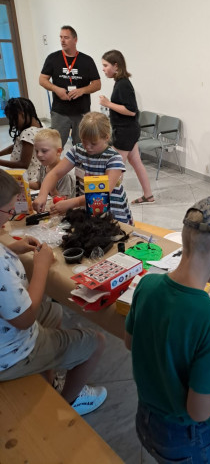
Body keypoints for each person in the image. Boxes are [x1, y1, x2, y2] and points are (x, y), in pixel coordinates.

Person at [125, 196, 210, 463]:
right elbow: (199, 411)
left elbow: (130, 341)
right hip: (186, 439)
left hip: (145, 420)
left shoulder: (147, 285)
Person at [0, 170, 107, 415]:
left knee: (53, 311)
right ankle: (69, 402)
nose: (11, 216)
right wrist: (40, 267)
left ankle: (48, 376)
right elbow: (25, 319)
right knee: (96, 343)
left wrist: (12, 248)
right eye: (8, 211)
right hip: (10, 355)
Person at [33, 112, 133, 225]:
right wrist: (42, 195)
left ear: (106, 137)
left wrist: (72, 203)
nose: (88, 147)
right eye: (84, 141)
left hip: (113, 214)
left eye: (93, 143)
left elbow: (101, 194)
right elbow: (55, 174)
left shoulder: (114, 159)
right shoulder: (78, 151)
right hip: (87, 210)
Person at [99, 50, 154, 204]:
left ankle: (108, 200)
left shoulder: (123, 84)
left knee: (115, 166)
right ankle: (148, 195)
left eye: (105, 65)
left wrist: (108, 103)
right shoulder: (120, 82)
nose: (103, 69)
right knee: (136, 162)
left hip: (125, 131)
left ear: (116, 66)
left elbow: (131, 110)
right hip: (128, 130)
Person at [39, 25, 101, 147]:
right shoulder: (53, 58)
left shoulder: (87, 60)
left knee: (82, 146)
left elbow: (97, 84)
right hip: (60, 112)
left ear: (75, 40)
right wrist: (56, 89)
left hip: (81, 112)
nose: (62, 40)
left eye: (66, 38)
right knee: (55, 146)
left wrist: (82, 90)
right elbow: (42, 79)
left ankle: (79, 160)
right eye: (61, 37)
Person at [0, 97, 42, 181]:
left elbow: (23, 164)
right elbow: (16, 147)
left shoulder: (27, 133)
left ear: (22, 114)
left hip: (25, 179)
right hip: (35, 175)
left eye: (14, 119)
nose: (13, 124)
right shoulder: (40, 126)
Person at [29, 128, 75, 198]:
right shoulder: (44, 165)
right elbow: (39, 185)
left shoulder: (65, 174)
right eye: (36, 151)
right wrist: (23, 183)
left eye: (44, 151)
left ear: (58, 151)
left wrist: (52, 188)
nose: (39, 155)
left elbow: (63, 201)